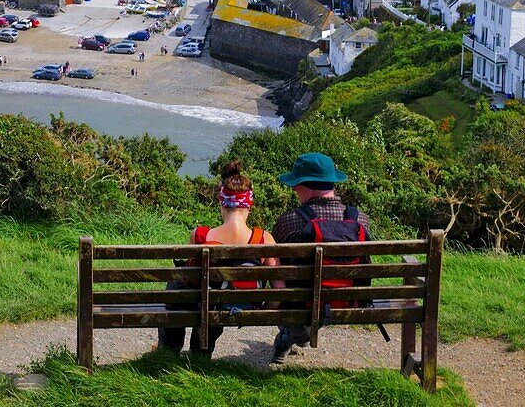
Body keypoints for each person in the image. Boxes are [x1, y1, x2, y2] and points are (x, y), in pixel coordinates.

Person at [158, 161, 280, 358]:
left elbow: (186, 278)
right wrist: (264, 310)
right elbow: (279, 289)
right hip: (244, 306)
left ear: (222, 203)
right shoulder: (264, 239)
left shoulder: (200, 236)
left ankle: (169, 351)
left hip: (203, 303)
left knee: (182, 292)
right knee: (214, 301)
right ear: (249, 204)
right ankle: (200, 354)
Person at [269, 153, 371, 364]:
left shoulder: (290, 221)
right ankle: (298, 332)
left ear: (306, 186)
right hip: (349, 300)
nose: (294, 189)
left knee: (277, 275)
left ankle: (293, 332)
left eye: (296, 185)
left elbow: (272, 262)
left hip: (301, 303)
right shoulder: (361, 220)